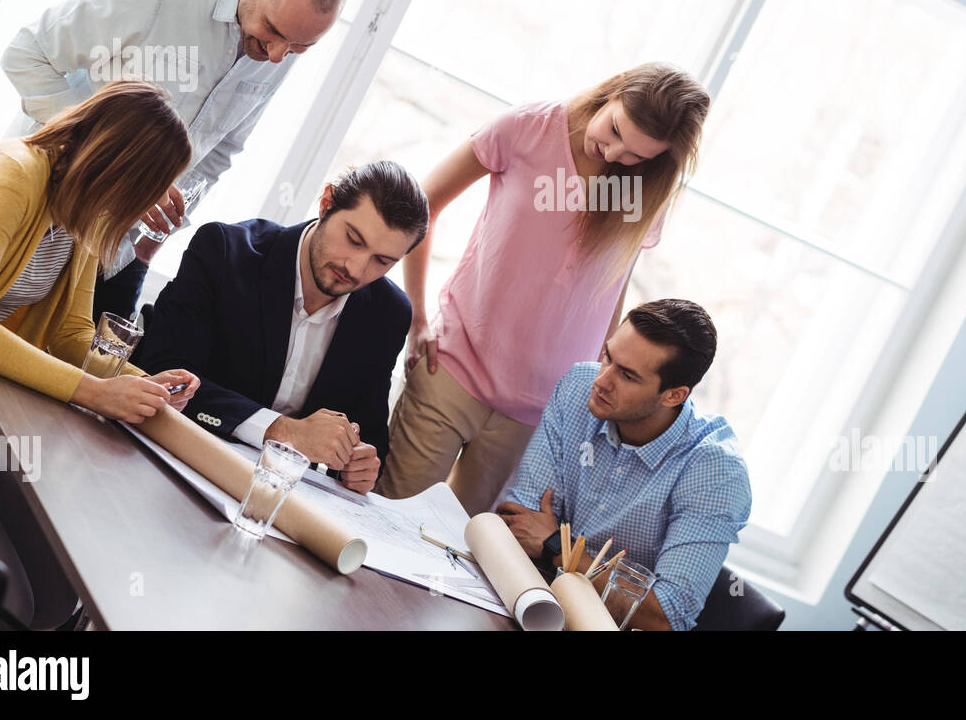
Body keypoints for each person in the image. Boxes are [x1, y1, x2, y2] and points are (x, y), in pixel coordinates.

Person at [376, 62, 710, 516]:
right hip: (452, 368)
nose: (613, 154)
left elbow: (613, 286)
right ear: (612, 93)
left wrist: (602, 376)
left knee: (456, 550)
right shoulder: (526, 128)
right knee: (387, 517)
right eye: (614, 130)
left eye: (635, 154)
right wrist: (416, 317)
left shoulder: (644, 190)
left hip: (542, 412)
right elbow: (423, 203)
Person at [0, 80, 202, 628]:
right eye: (148, 189)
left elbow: (72, 335)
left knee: (57, 594)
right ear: (117, 165)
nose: (145, 210)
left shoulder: (78, 213)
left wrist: (143, 384)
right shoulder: (11, 175)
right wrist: (99, 393)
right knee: (10, 585)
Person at [1, 0, 351, 321]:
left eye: (299, 48)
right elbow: (27, 55)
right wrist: (119, 169)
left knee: (89, 370)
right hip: (39, 218)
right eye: (273, 30)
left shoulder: (282, 38)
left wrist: (153, 241)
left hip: (119, 252)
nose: (276, 55)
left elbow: (218, 150)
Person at [135, 163, 430, 494]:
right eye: (353, 239)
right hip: (172, 467)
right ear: (327, 203)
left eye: (382, 261)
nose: (356, 268)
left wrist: (360, 463)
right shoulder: (224, 250)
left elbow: (369, 434)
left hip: (279, 500)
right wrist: (281, 430)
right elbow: (162, 372)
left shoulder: (388, 313)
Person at [495, 299, 750, 631]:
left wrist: (556, 547)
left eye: (627, 375)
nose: (602, 380)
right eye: (608, 357)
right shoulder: (578, 388)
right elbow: (521, 520)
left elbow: (666, 616)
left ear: (673, 395)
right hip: (536, 602)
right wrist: (562, 553)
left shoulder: (716, 473)